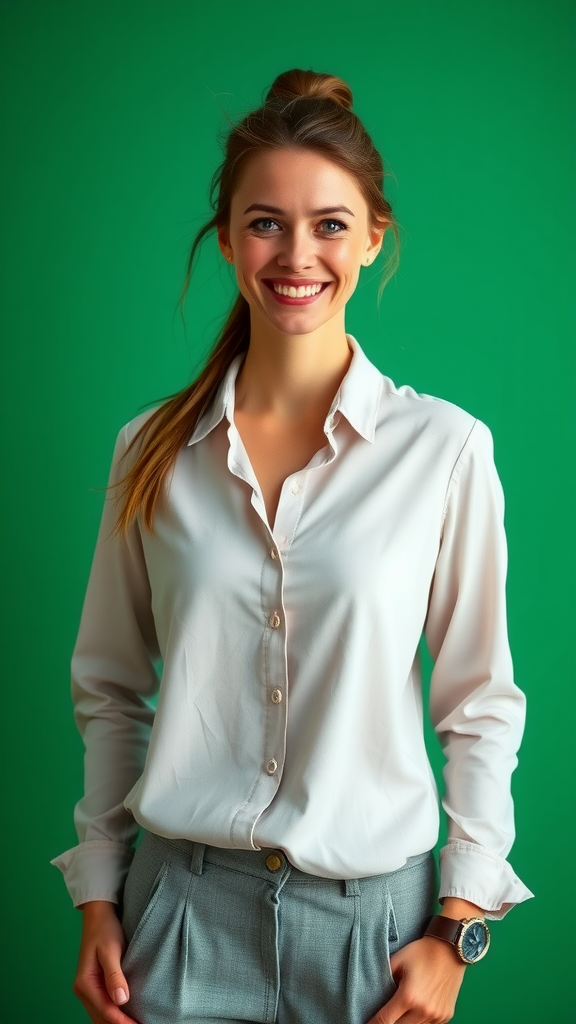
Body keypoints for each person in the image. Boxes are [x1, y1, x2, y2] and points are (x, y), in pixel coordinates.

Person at [52, 68, 533, 1024]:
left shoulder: (444, 450)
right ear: (227, 237)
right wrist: (98, 898)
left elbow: (479, 701)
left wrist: (460, 929)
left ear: (372, 238)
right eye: (266, 221)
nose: (296, 253)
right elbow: (109, 688)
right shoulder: (150, 453)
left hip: (375, 937)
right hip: (175, 922)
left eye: (329, 224)